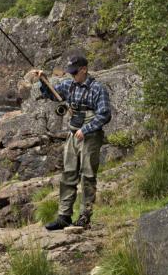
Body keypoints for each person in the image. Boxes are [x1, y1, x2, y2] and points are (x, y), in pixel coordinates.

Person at [31, 51, 111, 230]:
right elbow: (52, 95)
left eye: (75, 72)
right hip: (73, 135)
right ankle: (64, 216)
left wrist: (86, 129)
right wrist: (43, 80)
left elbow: (105, 114)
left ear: (84, 70)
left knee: (88, 176)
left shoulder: (98, 89)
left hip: (90, 136)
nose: (72, 76)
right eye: (70, 72)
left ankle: (84, 216)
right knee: (68, 175)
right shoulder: (69, 85)